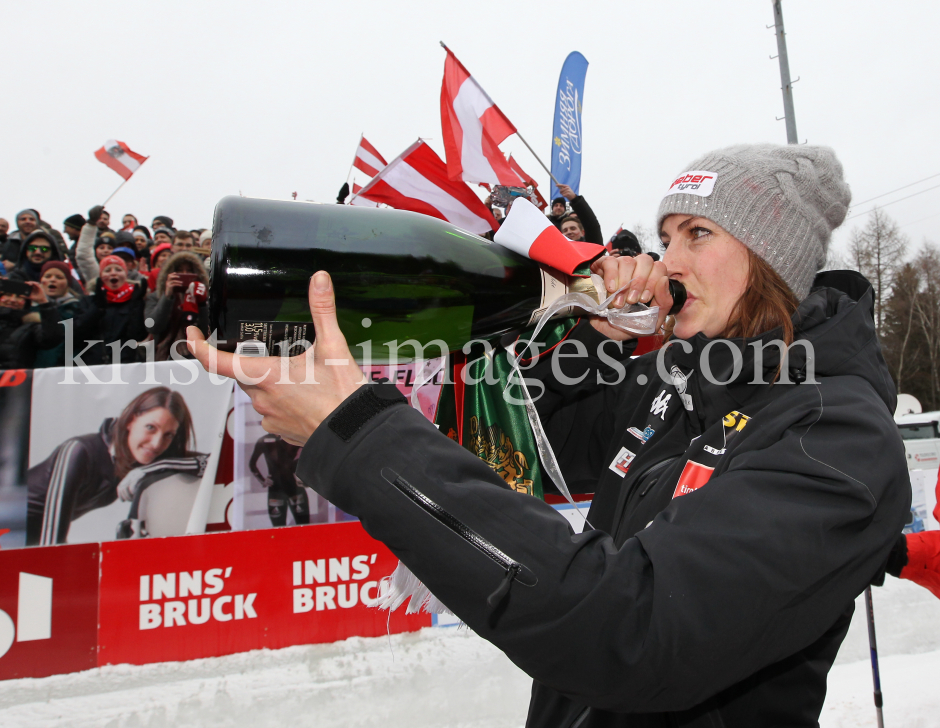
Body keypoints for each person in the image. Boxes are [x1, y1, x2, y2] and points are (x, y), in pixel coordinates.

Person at [188, 143, 911, 727]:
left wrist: (354, 432)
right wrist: (588, 329)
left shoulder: (836, 436)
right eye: (664, 238)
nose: (670, 261)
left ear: (772, 257)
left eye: (698, 234)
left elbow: (628, 630)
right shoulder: (679, 380)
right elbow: (523, 447)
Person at [26, 386, 206, 545]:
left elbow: (210, 462)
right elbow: (49, 545)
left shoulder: (148, 457)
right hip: (13, 526)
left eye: (168, 435)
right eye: (150, 427)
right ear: (130, 421)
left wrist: (148, 470)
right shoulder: (79, 450)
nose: (156, 444)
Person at [0, 281, 62, 369]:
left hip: (15, 380)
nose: (12, 300)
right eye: (8, 294)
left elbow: (53, 337)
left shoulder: (31, 326)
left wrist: (44, 302)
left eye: (19, 297)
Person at [83, 255, 148, 364]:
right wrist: (97, 308)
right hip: (94, 366)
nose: (113, 273)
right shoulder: (89, 301)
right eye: (107, 270)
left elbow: (137, 334)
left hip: (126, 365)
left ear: (126, 275)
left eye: (118, 269)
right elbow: (79, 331)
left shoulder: (134, 299)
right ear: (100, 276)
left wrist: (137, 305)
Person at [145, 251, 207, 361]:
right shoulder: (156, 297)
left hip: (198, 357)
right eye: (179, 270)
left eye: (189, 271)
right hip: (165, 357)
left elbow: (209, 330)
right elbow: (153, 327)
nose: (185, 274)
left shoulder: (204, 296)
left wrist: (202, 303)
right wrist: (167, 296)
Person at [34, 261, 90, 368]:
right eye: (48, 276)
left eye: (59, 277)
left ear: (68, 284)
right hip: (37, 372)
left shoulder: (78, 309)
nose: (53, 279)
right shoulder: (30, 308)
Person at [249, 434, 307, 526]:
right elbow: (252, 464)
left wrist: (305, 479)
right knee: (278, 529)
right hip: (276, 489)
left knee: (304, 528)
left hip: (294, 487)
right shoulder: (264, 440)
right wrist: (262, 480)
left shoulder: (294, 436)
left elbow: (311, 455)